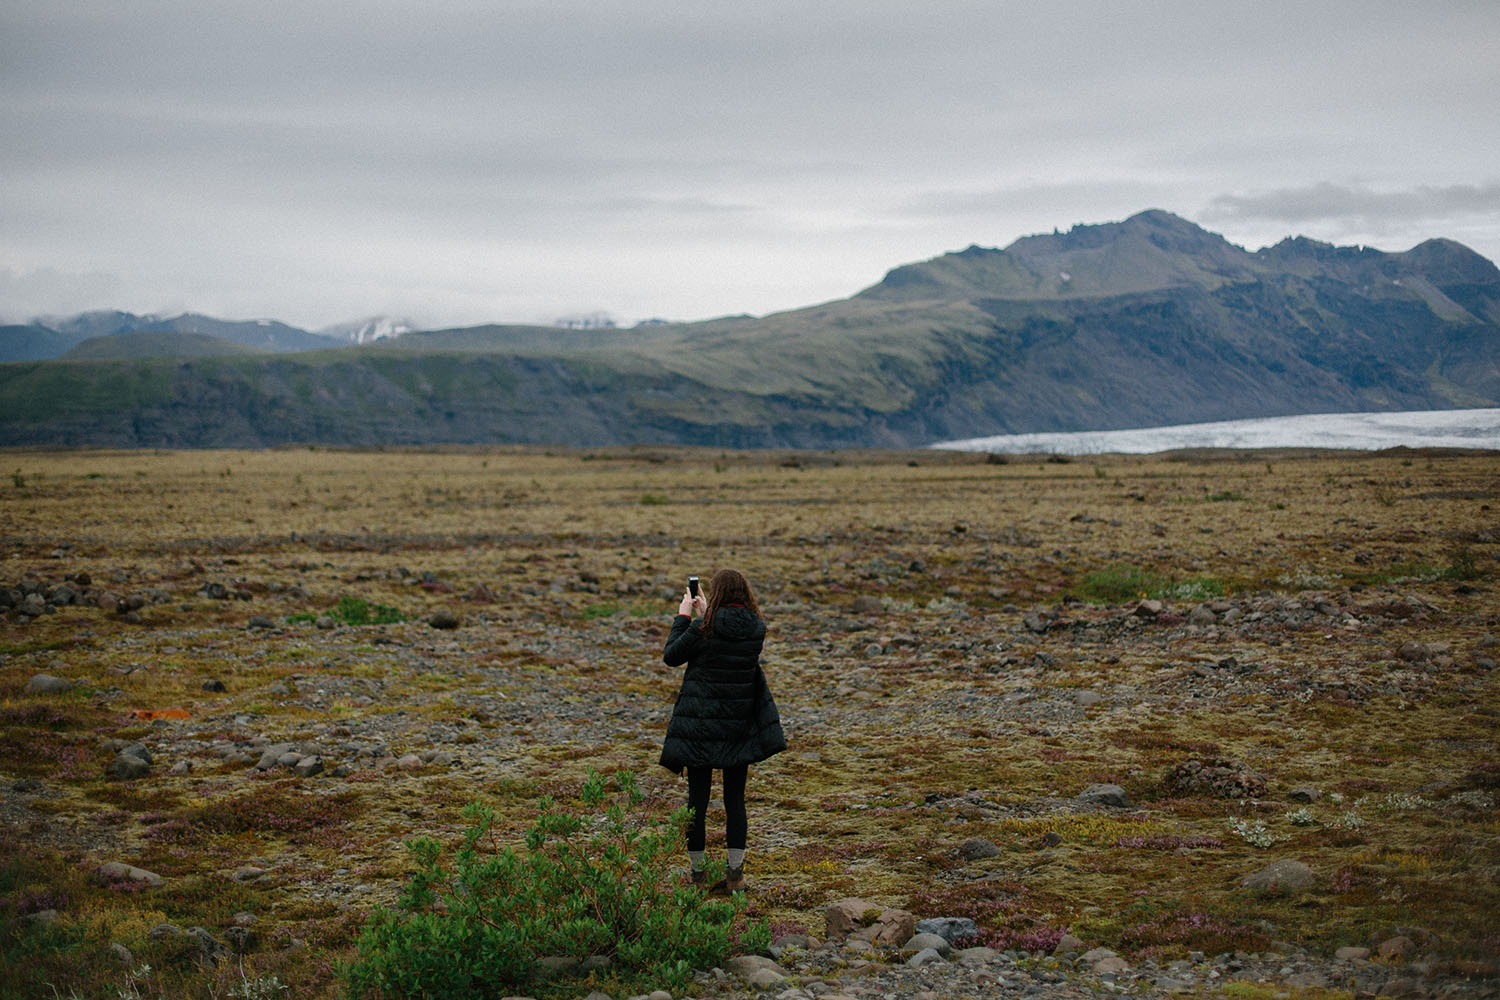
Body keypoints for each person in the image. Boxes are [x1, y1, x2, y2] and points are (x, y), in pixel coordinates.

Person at [659, 568, 786, 893]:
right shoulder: (757, 629)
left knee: (696, 803)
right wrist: (705, 617)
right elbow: (726, 641)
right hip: (738, 728)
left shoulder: (703, 628)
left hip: (699, 729)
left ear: (714, 594)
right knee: (735, 801)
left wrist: (684, 616)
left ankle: (698, 878)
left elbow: (672, 656)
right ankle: (735, 877)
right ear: (745, 593)